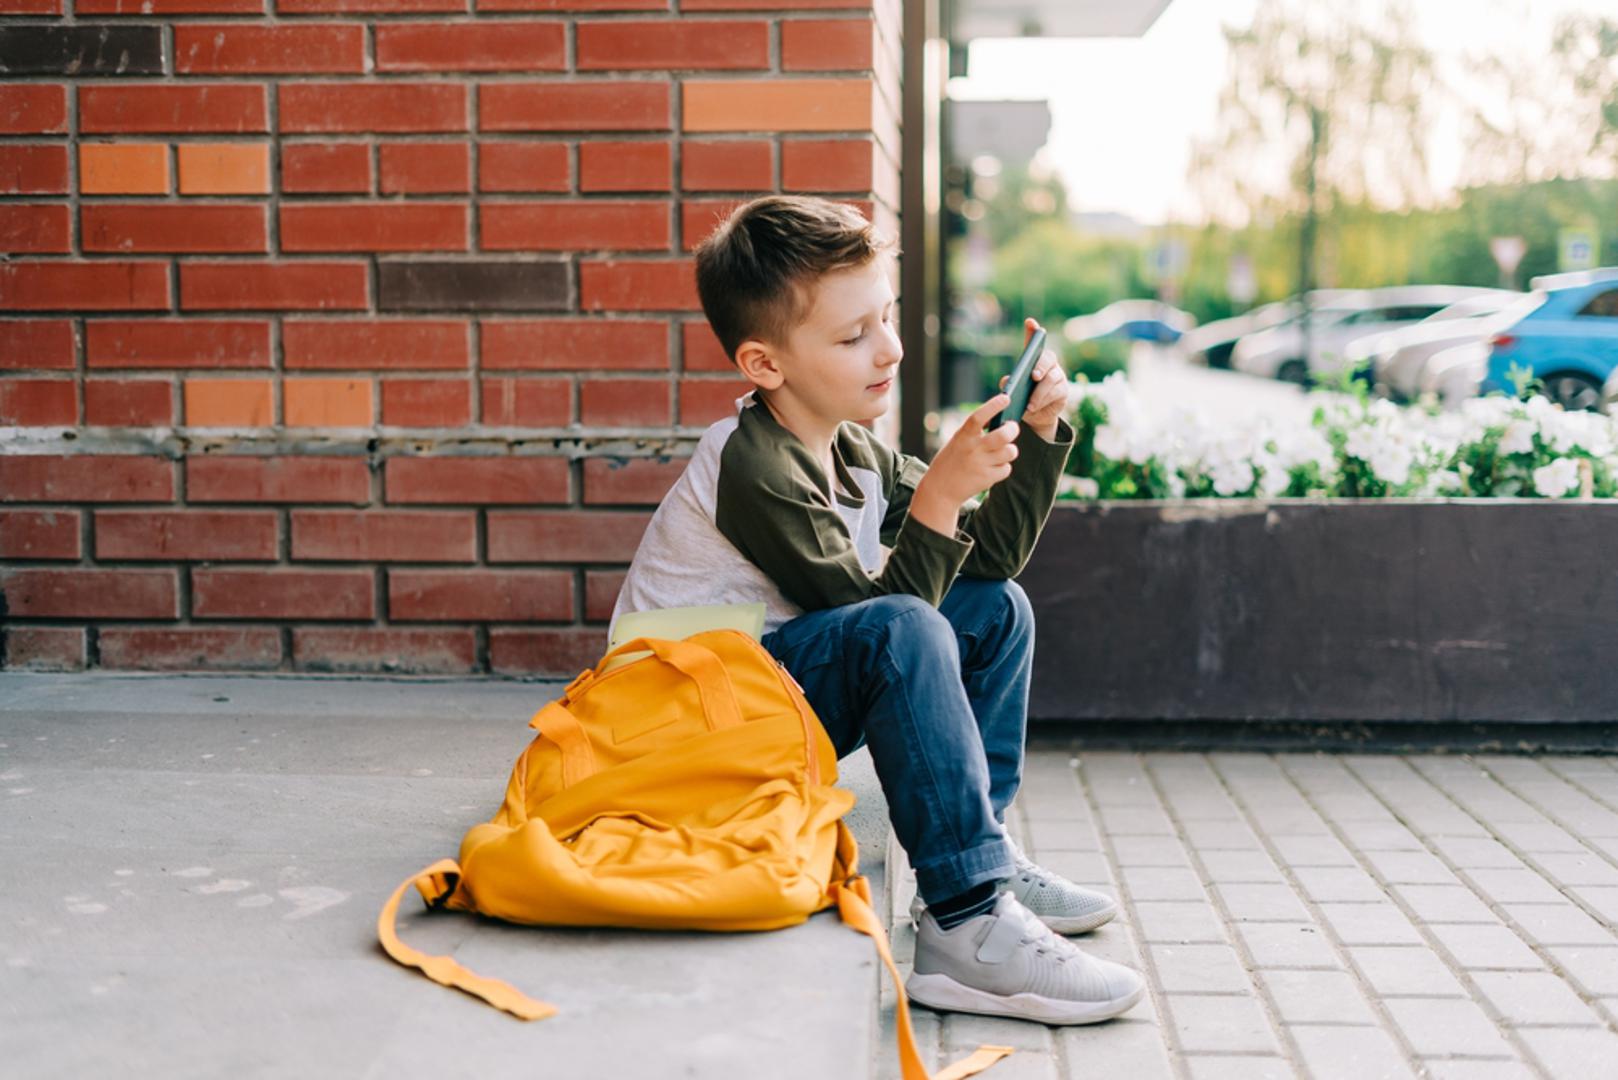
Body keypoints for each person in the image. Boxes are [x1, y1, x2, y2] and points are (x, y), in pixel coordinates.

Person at [610, 194, 1144, 1024]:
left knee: (996, 607)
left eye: (886, 318)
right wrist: (936, 494)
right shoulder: (754, 465)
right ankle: (965, 924)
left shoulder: (852, 446)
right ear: (764, 365)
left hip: (764, 685)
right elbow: (882, 622)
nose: (889, 348)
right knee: (904, 627)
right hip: (681, 718)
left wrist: (1034, 442)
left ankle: (983, 852)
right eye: (852, 335)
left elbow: (985, 563)